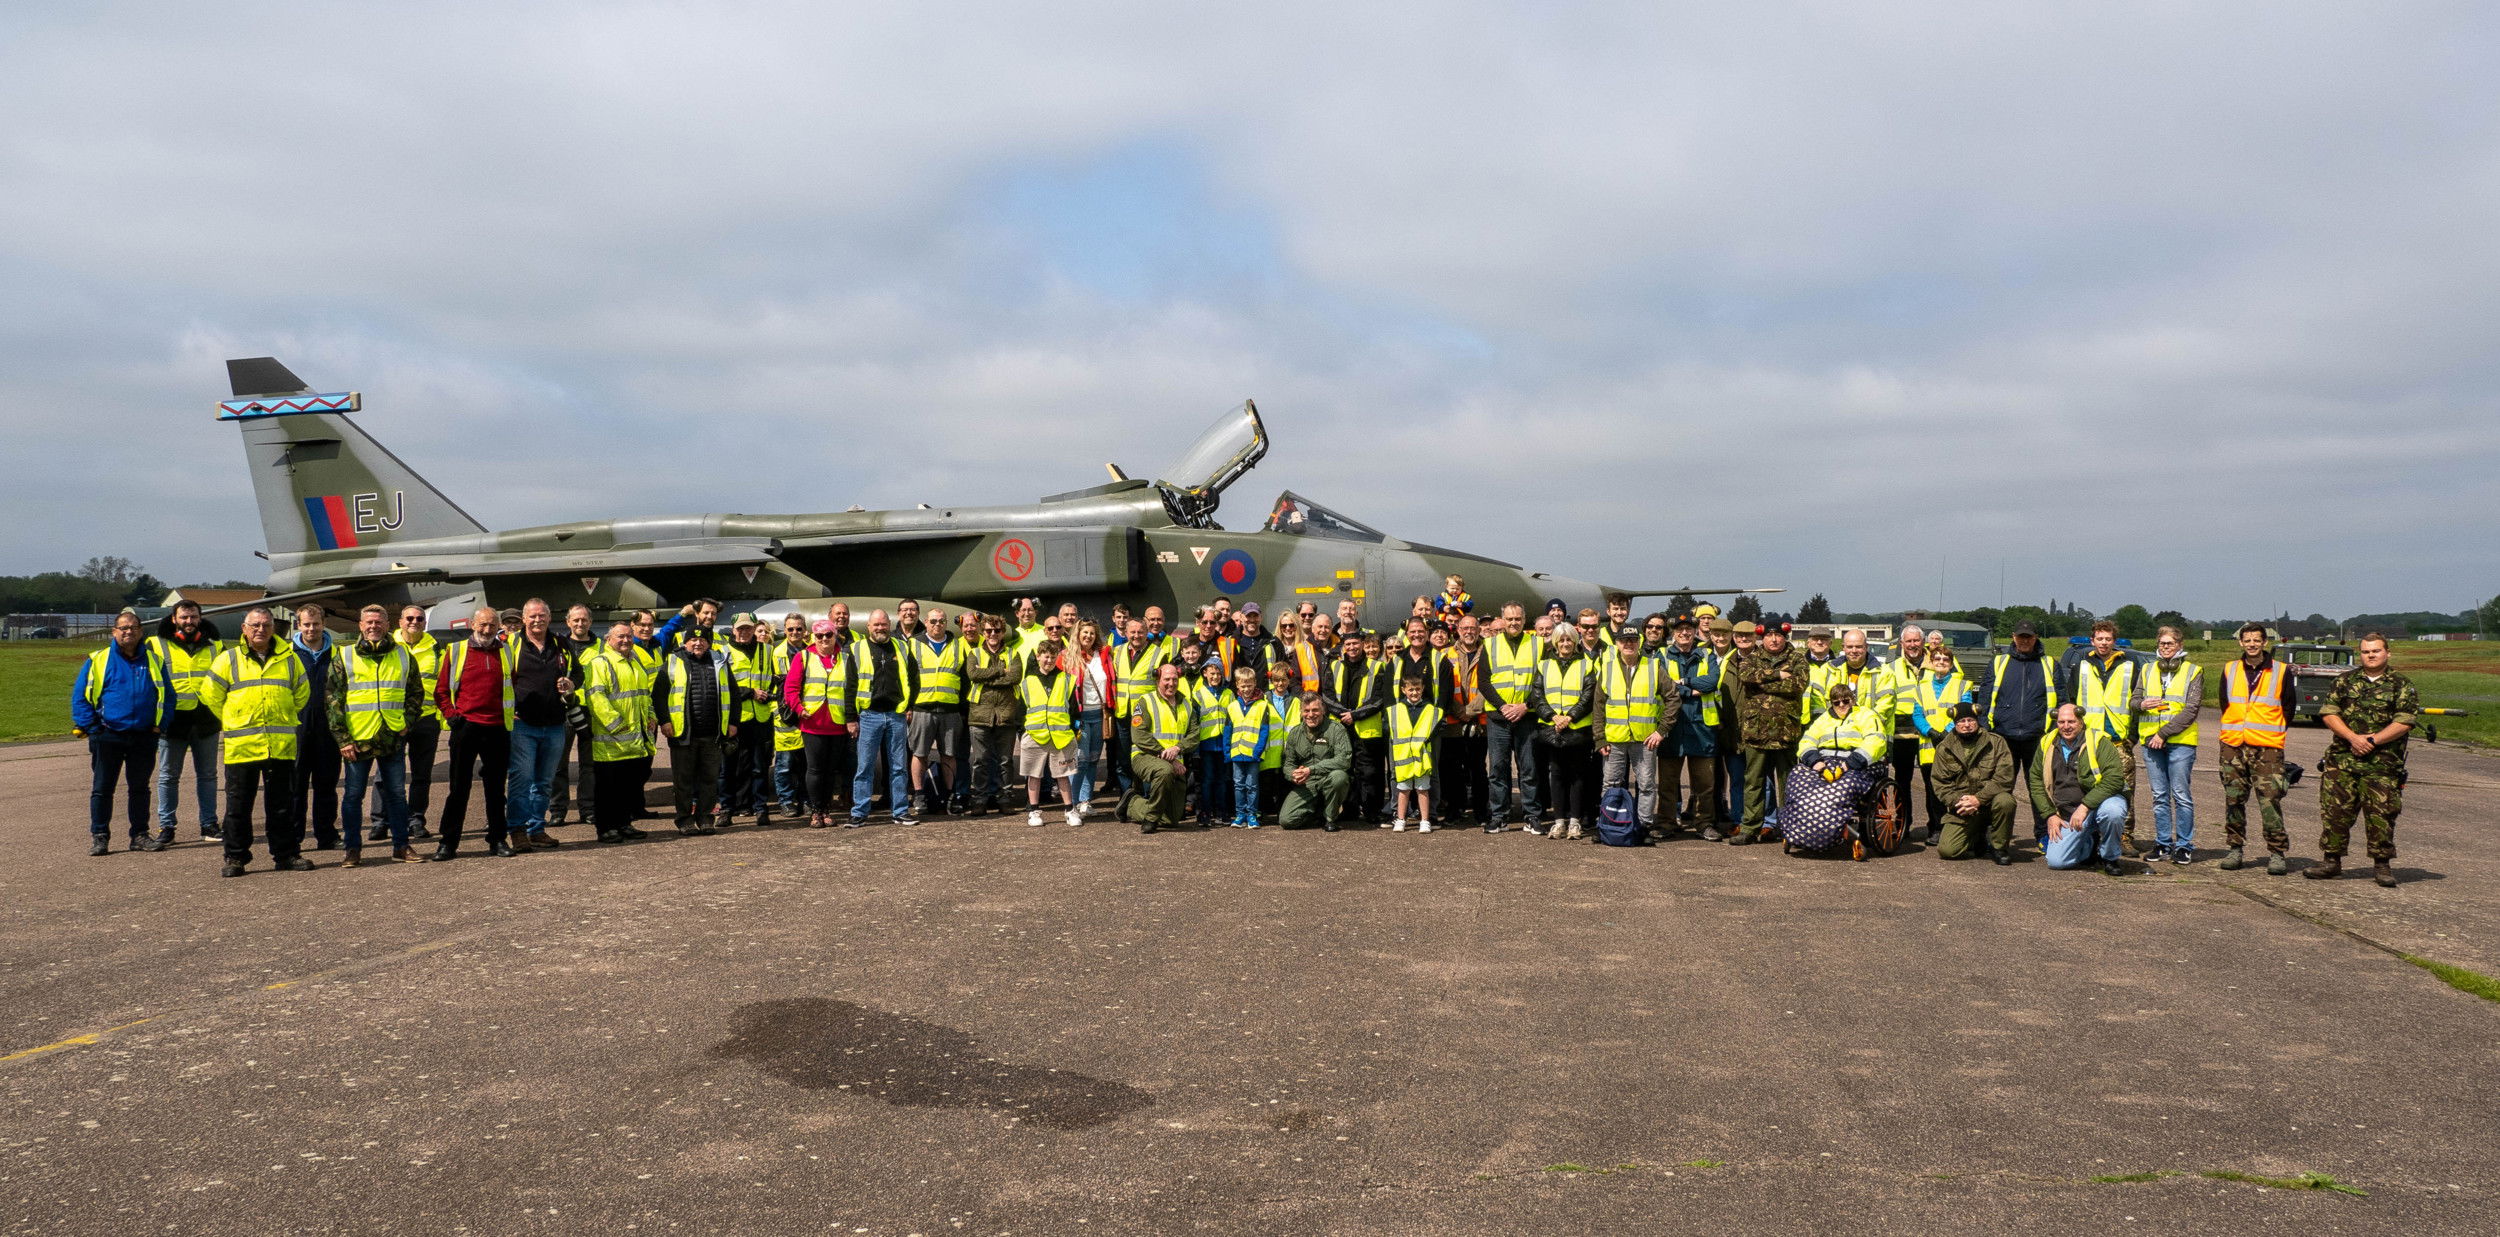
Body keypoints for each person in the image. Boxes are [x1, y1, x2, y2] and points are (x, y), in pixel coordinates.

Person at [198, 607, 311, 876]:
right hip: (242, 747)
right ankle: (235, 858)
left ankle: (286, 855)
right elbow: (210, 695)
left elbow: (301, 694)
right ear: (244, 629)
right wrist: (233, 718)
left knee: (282, 806)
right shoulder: (229, 659)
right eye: (255, 625)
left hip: (280, 746)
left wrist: (282, 716)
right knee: (238, 807)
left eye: (266, 625)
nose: (261, 630)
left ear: (274, 628)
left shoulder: (290, 660)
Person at [2311, 633, 2417, 887]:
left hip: (2381, 764)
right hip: (2343, 760)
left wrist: (2372, 741)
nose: (2371, 655)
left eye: (2376, 651)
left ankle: (2381, 864)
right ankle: (2331, 861)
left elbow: (2404, 721)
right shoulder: (2345, 681)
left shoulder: (2401, 684)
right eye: (2366, 651)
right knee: (2335, 812)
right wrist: (2353, 738)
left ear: (2387, 653)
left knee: (2381, 814)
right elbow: (2329, 713)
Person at [326, 605, 424, 866]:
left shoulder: (403, 654)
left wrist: (408, 722)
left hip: (391, 735)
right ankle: (352, 849)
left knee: (396, 794)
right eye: (368, 622)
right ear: (360, 625)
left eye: (378, 622)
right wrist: (342, 739)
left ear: (387, 625)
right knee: (353, 795)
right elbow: (333, 699)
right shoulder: (345, 656)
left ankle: (401, 846)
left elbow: (416, 692)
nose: (373, 626)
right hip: (358, 739)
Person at [71, 609, 174, 855]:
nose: (129, 632)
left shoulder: (154, 661)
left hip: (143, 736)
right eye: (123, 628)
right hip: (108, 736)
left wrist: (160, 725)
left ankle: (139, 835)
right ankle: (100, 836)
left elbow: (169, 697)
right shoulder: (98, 660)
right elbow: (80, 699)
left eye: (133, 628)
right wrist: (94, 728)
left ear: (140, 632)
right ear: (115, 632)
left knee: (140, 788)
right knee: (103, 788)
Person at [430, 607, 517, 860]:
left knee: (496, 788)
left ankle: (498, 839)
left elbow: (513, 684)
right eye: (482, 625)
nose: (487, 630)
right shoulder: (456, 651)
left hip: (498, 728)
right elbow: (441, 690)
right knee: (459, 788)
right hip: (466, 726)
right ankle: (448, 842)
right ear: (472, 624)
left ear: (498, 625)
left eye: (492, 625)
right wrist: (452, 715)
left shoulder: (506, 651)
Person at [2215, 622, 2295, 875]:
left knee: (2270, 800)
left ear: (2264, 642)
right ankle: (2235, 848)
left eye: (2256, 640)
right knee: (2234, 799)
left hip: (2267, 747)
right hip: (2233, 745)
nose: (2251, 644)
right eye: (2247, 640)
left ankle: (2277, 852)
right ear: (2241, 642)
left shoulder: (2281, 671)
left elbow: (2288, 708)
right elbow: (2224, 704)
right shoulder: (2230, 669)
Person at [654, 625, 746, 834]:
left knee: (709, 779)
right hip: (682, 734)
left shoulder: (719, 662)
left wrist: (733, 722)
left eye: (703, 640)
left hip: (712, 734)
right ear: (685, 643)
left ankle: (705, 818)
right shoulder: (672, 661)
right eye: (693, 640)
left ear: (709, 642)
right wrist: (664, 721)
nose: (698, 643)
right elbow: (659, 695)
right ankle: (684, 820)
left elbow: (733, 693)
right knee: (683, 781)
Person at [148, 600, 223, 843]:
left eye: (193, 617)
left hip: (206, 720)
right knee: (168, 776)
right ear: (174, 619)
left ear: (199, 618)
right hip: (172, 721)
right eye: (184, 617)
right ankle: (166, 827)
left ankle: (209, 824)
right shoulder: (155, 644)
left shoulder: (215, 644)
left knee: (208, 775)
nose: (188, 622)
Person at [503, 599, 576, 848]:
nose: (537, 620)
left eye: (542, 616)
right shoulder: (510, 644)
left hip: (554, 724)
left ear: (549, 618)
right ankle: (517, 830)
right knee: (521, 780)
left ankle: (537, 828)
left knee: (544, 782)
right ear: (524, 619)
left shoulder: (560, 643)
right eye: (532, 616)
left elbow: (578, 671)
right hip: (522, 723)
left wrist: (571, 682)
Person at [1979, 621, 2060, 843]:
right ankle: (1997, 837)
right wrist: (1985, 730)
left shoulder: (2050, 664)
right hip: (2004, 737)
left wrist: (2053, 733)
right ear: (2013, 637)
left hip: (2038, 738)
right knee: (2000, 789)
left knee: (2041, 789)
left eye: (2029, 637)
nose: (2024, 641)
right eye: (2021, 636)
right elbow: (1984, 699)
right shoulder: (1998, 663)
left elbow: (2061, 700)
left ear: (2035, 638)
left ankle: (2044, 835)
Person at [2031, 704, 2129, 874]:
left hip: (2098, 805)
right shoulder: (2047, 743)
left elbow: (2114, 779)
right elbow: (2036, 780)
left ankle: (2110, 858)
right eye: (2061, 722)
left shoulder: (2099, 741)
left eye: (2071, 721)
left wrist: (2085, 806)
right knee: (2056, 862)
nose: (2066, 726)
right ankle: (2090, 844)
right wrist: (2050, 815)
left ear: (2081, 721)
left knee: (2113, 812)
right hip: (2068, 812)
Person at [1732, 622, 1807, 845]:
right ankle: (1750, 827)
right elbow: (1746, 676)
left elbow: (1797, 685)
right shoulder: (1751, 658)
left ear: (1785, 637)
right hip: (1756, 732)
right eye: (1769, 636)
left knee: (1789, 783)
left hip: (1786, 732)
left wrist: (1763, 682)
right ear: (1761, 638)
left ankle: (1790, 828)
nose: (1773, 640)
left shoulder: (1797, 659)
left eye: (1777, 636)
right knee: (1753, 782)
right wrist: (1778, 674)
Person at [581, 621, 655, 843]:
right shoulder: (599, 663)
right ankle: (606, 828)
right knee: (607, 788)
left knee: (629, 786)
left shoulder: (636, 662)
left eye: (628, 637)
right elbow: (596, 698)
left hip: (635, 738)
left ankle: (624, 823)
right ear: (609, 640)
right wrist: (615, 724)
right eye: (620, 637)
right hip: (611, 740)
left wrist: (651, 716)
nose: (625, 640)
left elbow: (644, 695)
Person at [2073, 620, 2143, 854]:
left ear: (2115, 641)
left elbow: (2136, 704)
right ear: (2092, 640)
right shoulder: (2081, 665)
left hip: (2118, 741)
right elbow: (2072, 701)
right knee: (2087, 788)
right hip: (2089, 741)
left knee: (2124, 790)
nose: (2104, 643)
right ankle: (2090, 836)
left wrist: (2132, 737)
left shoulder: (2130, 666)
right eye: (2099, 639)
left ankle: (2124, 836)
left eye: (2108, 639)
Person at [2135, 626, 2203, 864]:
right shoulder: (2147, 669)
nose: (2165, 647)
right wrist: (2142, 705)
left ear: (2180, 646)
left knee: (2181, 795)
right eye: (2162, 643)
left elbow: (2191, 709)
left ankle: (2184, 845)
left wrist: (2163, 733)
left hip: (2180, 743)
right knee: (2159, 795)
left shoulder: (2193, 671)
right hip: (2150, 743)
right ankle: (2163, 843)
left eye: (2170, 644)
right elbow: (2134, 701)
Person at [848, 609, 919, 827]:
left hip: (896, 715)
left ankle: (900, 811)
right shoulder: (857, 649)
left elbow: (914, 679)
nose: (880, 628)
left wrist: (909, 705)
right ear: (868, 627)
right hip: (869, 716)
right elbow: (849, 685)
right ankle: (859, 812)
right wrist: (851, 717)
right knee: (865, 767)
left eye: (884, 624)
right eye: (876, 625)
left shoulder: (902, 647)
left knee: (899, 767)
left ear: (890, 625)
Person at [1478, 603, 1544, 834]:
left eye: (1518, 618)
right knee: (1497, 768)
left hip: (1527, 717)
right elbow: (1483, 682)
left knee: (1528, 769)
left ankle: (1532, 815)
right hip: (1499, 717)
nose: (1514, 623)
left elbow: (1542, 681)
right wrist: (1503, 706)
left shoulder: (1537, 644)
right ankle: (1499, 816)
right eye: (1509, 619)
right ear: (1502, 620)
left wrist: (1525, 706)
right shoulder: (1490, 644)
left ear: (1525, 619)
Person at [382, 605, 445, 842]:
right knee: (387, 774)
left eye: (419, 618)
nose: (414, 622)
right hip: (394, 719)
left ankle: (416, 820)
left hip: (426, 719)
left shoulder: (435, 648)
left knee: (421, 775)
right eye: (409, 618)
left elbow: (442, 682)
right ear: (400, 622)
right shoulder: (388, 645)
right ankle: (382, 821)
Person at [1596, 626, 1663, 838]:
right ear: (1617, 643)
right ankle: (1609, 823)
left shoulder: (1653, 667)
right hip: (1614, 738)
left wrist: (1661, 731)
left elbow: (1673, 699)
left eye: (1633, 639)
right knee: (1611, 784)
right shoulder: (1607, 668)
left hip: (1644, 739)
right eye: (1624, 640)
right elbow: (1598, 706)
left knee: (1646, 785)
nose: (1629, 643)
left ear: (1639, 642)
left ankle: (1643, 827)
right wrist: (1599, 738)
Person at [1659, 616, 1724, 838]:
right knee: (1668, 783)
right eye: (1680, 629)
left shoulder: (1706, 654)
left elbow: (1711, 682)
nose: (1684, 633)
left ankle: (1704, 823)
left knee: (1705, 784)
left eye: (1688, 629)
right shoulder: (1662, 655)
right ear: (1673, 632)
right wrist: (1694, 690)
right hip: (1673, 727)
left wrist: (1684, 684)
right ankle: (1667, 823)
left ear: (1695, 631)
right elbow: (1664, 685)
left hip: (1701, 729)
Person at [786, 619, 854, 827]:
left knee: (831, 770)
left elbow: (852, 688)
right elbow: (790, 688)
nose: (824, 639)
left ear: (835, 636)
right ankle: (816, 811)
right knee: (815, 769)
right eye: (820, 636)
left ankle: (826, 808)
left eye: (828, 635)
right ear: (814, 638)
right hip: (812, 723)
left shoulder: (846, 658)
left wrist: (852, 718)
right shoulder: (803, 657)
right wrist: (799, 708)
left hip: (837, 722)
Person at [1925, 702, 2013, 863]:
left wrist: (1978, 799)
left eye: (1970, 720)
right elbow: (1940, 783)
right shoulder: (1944, 748)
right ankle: (1977, 836)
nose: (1966, 725)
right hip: (1963, 808)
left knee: (2006, 801)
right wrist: (1959, 802)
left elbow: (2004, 778)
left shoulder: (1996, 742)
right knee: (1948, 851)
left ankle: (1999, 848)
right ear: (1955, 724)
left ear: (1977, 721)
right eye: (1961, 721)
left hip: (1990, 803)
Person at [1531, 626, 1596, 839]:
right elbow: (1537, 695)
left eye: (1569, 640)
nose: (1565, 644)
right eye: (1561, 640)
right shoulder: (1544, 665)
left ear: (1575, 641)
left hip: (1577, 729)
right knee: (1556, 774)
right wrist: (1553, 717)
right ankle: (1559, 822)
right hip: (1552, 729)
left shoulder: (1587, 664)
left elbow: (1589, 695)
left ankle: (1575, 822)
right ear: (1556, 642)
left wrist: (1570, 717)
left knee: (1578, 776)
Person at [288, 604, 344, 851]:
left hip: (328, 729)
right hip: (296, 729)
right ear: (298, 625)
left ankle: (327, 835)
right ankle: (294, 836)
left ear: (324, 624)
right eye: (306, 624)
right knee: (295, 787)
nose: (311, 629)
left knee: (326, 785)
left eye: (316, 624)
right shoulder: (287, 654)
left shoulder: (338, 654)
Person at [907, 606, 970, 819]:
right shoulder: (913, 644)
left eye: (941, 621)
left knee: (949, 755)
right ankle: (919, 795)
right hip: (921, 708)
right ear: (926, 622)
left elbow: (965, 679)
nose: (937, 625)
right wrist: (908, 706)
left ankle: (950, 795)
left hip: (950, 710)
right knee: (919, 753)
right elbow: (906, 677)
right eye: (933, 621)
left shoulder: (958, 645)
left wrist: (963, 709)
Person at [1904, 643, 1972, 838]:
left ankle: (1956, 829)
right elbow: (1917, 714)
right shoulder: (1921, 687)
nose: (1941, 662)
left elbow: (1964, 712)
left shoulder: (1962, 685)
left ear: (1951, 664)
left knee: (1956, 788)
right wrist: (1930, 731)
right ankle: (1935, 827)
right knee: (1932, 791)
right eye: (1937, 659)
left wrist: (1947, 731)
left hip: (1955, 746)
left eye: (1945, 659)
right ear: (1931, 663)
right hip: (1929, 747)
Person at [1325, 630, 1391, 827]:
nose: (1352, 648)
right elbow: (1327, 695)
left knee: (1370, 773)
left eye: (1355, 644)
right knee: (1346, 770)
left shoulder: (1377, 666)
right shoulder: (1334, 666)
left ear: (1362, 644)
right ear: (1343, 647)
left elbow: (1380, 697)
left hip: (1367, 728)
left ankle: (1372, 811)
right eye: (1348, 645)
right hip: (1340, 728)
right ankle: (1350, 809)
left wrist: (1355, 715)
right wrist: (1343, 714)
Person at [1017, 638, 1084, 827]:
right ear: (1038, 657)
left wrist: (1073, 730)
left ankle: (1070, 810)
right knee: (1034, 774)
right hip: (1034, 735)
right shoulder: (1027, 682)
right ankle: (1034, 810)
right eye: (1046, 657)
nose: (1049, 660)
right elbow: (1021, 710)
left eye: (1053, 657)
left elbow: (1074, 709)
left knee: (1063, 774)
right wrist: (1024, 730)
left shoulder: (1066, 679)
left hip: (1061, 736)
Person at [716, 613, 775, 826]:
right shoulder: (722, 653)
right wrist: (750, 692)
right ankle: (726, 810)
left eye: (748, 628)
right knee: (728, 767)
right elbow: (721, 687)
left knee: (759, 767)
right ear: (733, 629)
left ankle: (761, 809)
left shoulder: (767, 650)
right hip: (733, 718)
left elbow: (773, 679)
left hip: (760, 717)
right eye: (740, 628)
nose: (744, 632)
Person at [1124, 664, 1197, 833]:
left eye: (1174, 679)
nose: (1171, 683)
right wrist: (1167, 756)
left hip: (1176, 761)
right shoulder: (1146, 701)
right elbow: (1139, 735)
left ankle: (1132, 804)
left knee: (1172, 820)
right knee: (1164, 771)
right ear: (1158, 679)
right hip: (1144, 756)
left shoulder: (1186, 704)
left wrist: (1178, 748)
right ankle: (1150, 820)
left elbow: (1194, 735)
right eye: (1167, 679)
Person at [964, 616, 1022, 816]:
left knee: (1005, 761)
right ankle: (979, 799)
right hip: (980, 714)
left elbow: (1014, 677)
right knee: (981, 760)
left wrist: (987, 676)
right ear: (983, 632)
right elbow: (973, 674)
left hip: (1005, 715)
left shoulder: (1013, 654)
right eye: (988, 631)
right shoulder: (975, 653)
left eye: (997, 631)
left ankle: (1004, 798)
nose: (992, 634)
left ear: (1003, 632)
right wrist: (999, 671)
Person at [1109, 618, 1166, 798]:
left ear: (1146, 632)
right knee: (1123, 759)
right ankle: (1128, 797)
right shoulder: (1116, 652)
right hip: (1123, 714)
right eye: (1132, 632)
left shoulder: (1159, 654)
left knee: (1146, 757)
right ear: (1126, 633)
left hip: (1145, 716)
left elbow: (1162, 685)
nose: (1136, 636)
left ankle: (1148, 797)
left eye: (1140, 632)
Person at [1880, 622, 1927, 840]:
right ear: (1901, 644)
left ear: (1923, 642)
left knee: (1934, 783)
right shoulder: (1890, 668)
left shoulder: (1937, 665)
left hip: (1929, 735)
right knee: (1902, 783)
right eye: (1908, 641)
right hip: (1902, 736)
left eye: (1916, 640)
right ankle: (1902, 824)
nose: (1912, 645)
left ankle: (1936, 826)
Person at [1440, 616, 1490, 826]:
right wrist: (1459, 711)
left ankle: (1481, 810)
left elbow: (1491, 683)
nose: (1469, 631)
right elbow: (1442, 687)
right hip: (1453, 722)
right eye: (1465, 628)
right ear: (1457, 630)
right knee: (1453, 769)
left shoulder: (1489, 652)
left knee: (1478, 768)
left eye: (1473, 627)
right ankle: (1454, 808)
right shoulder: (1445, 654)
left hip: (1479, 723)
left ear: (1479, 630)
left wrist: (1471, 710)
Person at [1278, 693, 1353, 830]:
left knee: (1339, 777)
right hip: (1307, 784)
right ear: (1301, 712)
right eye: (1306, 711)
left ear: (1323, 710)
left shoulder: (1336, 729)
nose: (1310, 715)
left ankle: (1330, 818)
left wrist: (1311, 770)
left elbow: (1344, 760)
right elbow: (1288, 763)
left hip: (1328, 779)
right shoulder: (1295, 733)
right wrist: (1294, 775)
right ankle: (1318, 812)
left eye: (1315, 710)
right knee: (1286, 821)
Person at [1223, 665, 1285, 828]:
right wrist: (1227, 751)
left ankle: (1252, 814)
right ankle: (1240, 814)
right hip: (1237, 753)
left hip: (1253, 754)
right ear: (1237, 685)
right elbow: (1228, 730)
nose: (1246, 689)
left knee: (1252, 785)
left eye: (1249, 685)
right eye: (1243, 685)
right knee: (1238, 784)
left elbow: (1264, 731)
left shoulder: (1262, 705)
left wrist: (1258, 751)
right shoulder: (1232, 706)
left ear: (1255, 683)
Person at [765, 614, 810, 819]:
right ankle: (786, 801)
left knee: (806, 764)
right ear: (785, 630)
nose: (794, 633)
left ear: (805, 631)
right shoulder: (776, 653)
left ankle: (806, 800)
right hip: (784, 714)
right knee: (784, 764)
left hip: (807, 713)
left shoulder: (811, 651)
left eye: (799, 629)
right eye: (790, 629)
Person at [1385, 672, 1441, 832]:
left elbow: (1436, 729)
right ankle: (1400, 819)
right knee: (1403, 790)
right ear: (1403, 690)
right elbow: (1389, 729)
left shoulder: (1431, 709)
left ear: (1423, 688)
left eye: (1417, 689)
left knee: (1423, 789)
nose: (1414, 692)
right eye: (1411, 690)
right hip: (1403, 759)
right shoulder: (1395, 710)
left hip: (1422, 758)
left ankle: (1425, 820)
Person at [1065, 618, 1112, 809]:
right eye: (1085, 632)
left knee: (1093, 760)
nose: (1089, 636)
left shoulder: (1104, 656)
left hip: (1099, 715)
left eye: (1092, 633)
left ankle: (1085, 800)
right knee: (1080, 761)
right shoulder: (1068, 657)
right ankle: (1073, 803)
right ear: (1078, 634)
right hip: (1080, 717)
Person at [1712, 619, 1751, 828]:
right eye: (1716, 634)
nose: (1720, 638)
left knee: (1753, 778)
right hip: (1717, 724)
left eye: (1724, 634)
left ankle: (1761, 821)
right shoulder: (1705, 655)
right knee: (1721, 777)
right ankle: (1730, 816)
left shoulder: (1739, 658)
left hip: (1745, 726)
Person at [1191, 658, 1233, 825]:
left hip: (1223, 742)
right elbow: (1194, 721)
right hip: (1206, 743)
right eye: (1212, 673)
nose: (1215, 676)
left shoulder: (1229, 694)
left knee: (1222, 779)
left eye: (1218, 673)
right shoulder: (1198, 693)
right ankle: (1206, 812)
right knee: (1207, 779)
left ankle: (1222, 812)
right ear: (1205, 673)